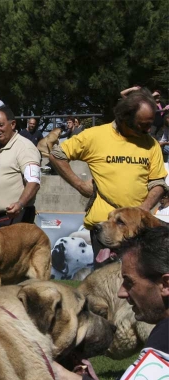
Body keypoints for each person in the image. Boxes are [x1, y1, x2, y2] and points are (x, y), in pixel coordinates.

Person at [48, 88, 168, 269]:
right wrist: (80, 185)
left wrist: (142, 211)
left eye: (150, 124)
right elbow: (57, 155)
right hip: (105, 230)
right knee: (106, 290)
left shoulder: (151, 144)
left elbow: (158, 183)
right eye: (142, 124)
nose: (148, 129)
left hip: (139, 233)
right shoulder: (95, 135)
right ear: (125, 118)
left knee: (140, 291)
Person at [53, 225, 169, 380]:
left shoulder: (166, 334)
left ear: (165, 284)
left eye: (129, 282)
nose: (121, 293)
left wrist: (63, 379)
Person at [0, 106, 42, 227]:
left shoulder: (25, 147)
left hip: (12, 220)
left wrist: (20, 204)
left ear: (13, 124)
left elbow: (34, 182)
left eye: (0, 125)